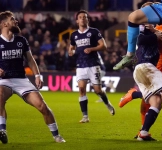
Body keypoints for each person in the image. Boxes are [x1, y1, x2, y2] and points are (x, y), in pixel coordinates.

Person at [0, 11, 65, 144]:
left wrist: (37, 75)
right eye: (12, 19)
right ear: (4, 23)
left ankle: (57, 135)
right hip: (4, 80)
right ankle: (2, 131)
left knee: (42, 106)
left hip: (22, 80)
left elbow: (30, 59)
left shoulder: (21, 40)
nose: (16, 21)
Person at [130, 21, 162, 141]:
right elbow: (139, 39)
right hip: (146, 67)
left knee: (156, 101)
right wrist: (154, 32)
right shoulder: (144, 29)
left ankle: (144, 133)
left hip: (139, 70)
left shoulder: (150, 30)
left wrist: (155, 31)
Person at [68, 10, 115, 123]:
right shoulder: (74, 35)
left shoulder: (94, 32)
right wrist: (70, 51)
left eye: (85, 17)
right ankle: (85, 116)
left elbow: (103, 46)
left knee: (98, 90)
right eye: (80, 17)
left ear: (87, 19)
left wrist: (92, 49)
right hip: (80, 65)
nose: (83, 18)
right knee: (81, 89)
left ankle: (107, 104)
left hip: (93, 64)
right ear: (77, 20)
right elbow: (71, 47)